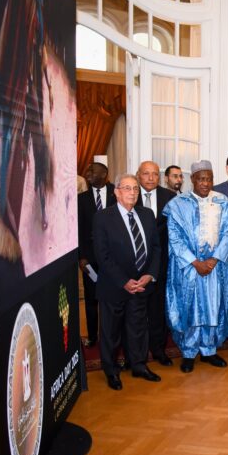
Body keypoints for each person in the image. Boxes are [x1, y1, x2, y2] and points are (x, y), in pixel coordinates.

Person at [164, 160, 228, 373]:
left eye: (209, 179)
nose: (205, 183)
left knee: (212, 308)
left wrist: (214, 260)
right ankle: (189, 352)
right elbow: (175, 238)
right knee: (191, 309)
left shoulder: (224, 203)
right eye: (201, 179)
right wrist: (195, 262)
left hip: (214, 268)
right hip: (189, 268)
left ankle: (209, 350)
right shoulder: (178, 204)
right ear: (192, 180)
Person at [93, 174, 162, 390]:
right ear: (116, 192)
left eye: (135, 189)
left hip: (141, 285)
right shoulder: (103, 217)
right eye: (127, 188)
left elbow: (156, 248)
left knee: (138, 328)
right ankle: (111, 371)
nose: (132, 193)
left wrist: (150, 275)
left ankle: (138, 365)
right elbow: (102, 255)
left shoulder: (147, 214)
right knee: (111, 332)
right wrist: (124, 281)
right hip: (114, 286)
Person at [136, 160, 176, 366]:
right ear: (138, 175)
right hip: (135, 264)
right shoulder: (130, 195)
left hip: (161, 263)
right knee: (135, 313)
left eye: (154, 174)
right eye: (146, 173)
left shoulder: (170, 197)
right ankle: (136, 354)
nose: (151, 178)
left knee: (158, 310)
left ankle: (159, 349)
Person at [77, 162, 115, 348]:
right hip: (90, 259)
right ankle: (92, 336)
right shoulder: (81, 199)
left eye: (92, 170)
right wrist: (81, 257)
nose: (87, 173)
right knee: (91, 300)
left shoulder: (118, 193)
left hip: (115, 258)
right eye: (88, 170)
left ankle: (113, 336)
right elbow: (78, 230)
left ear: (104, 174)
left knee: (114, 299)